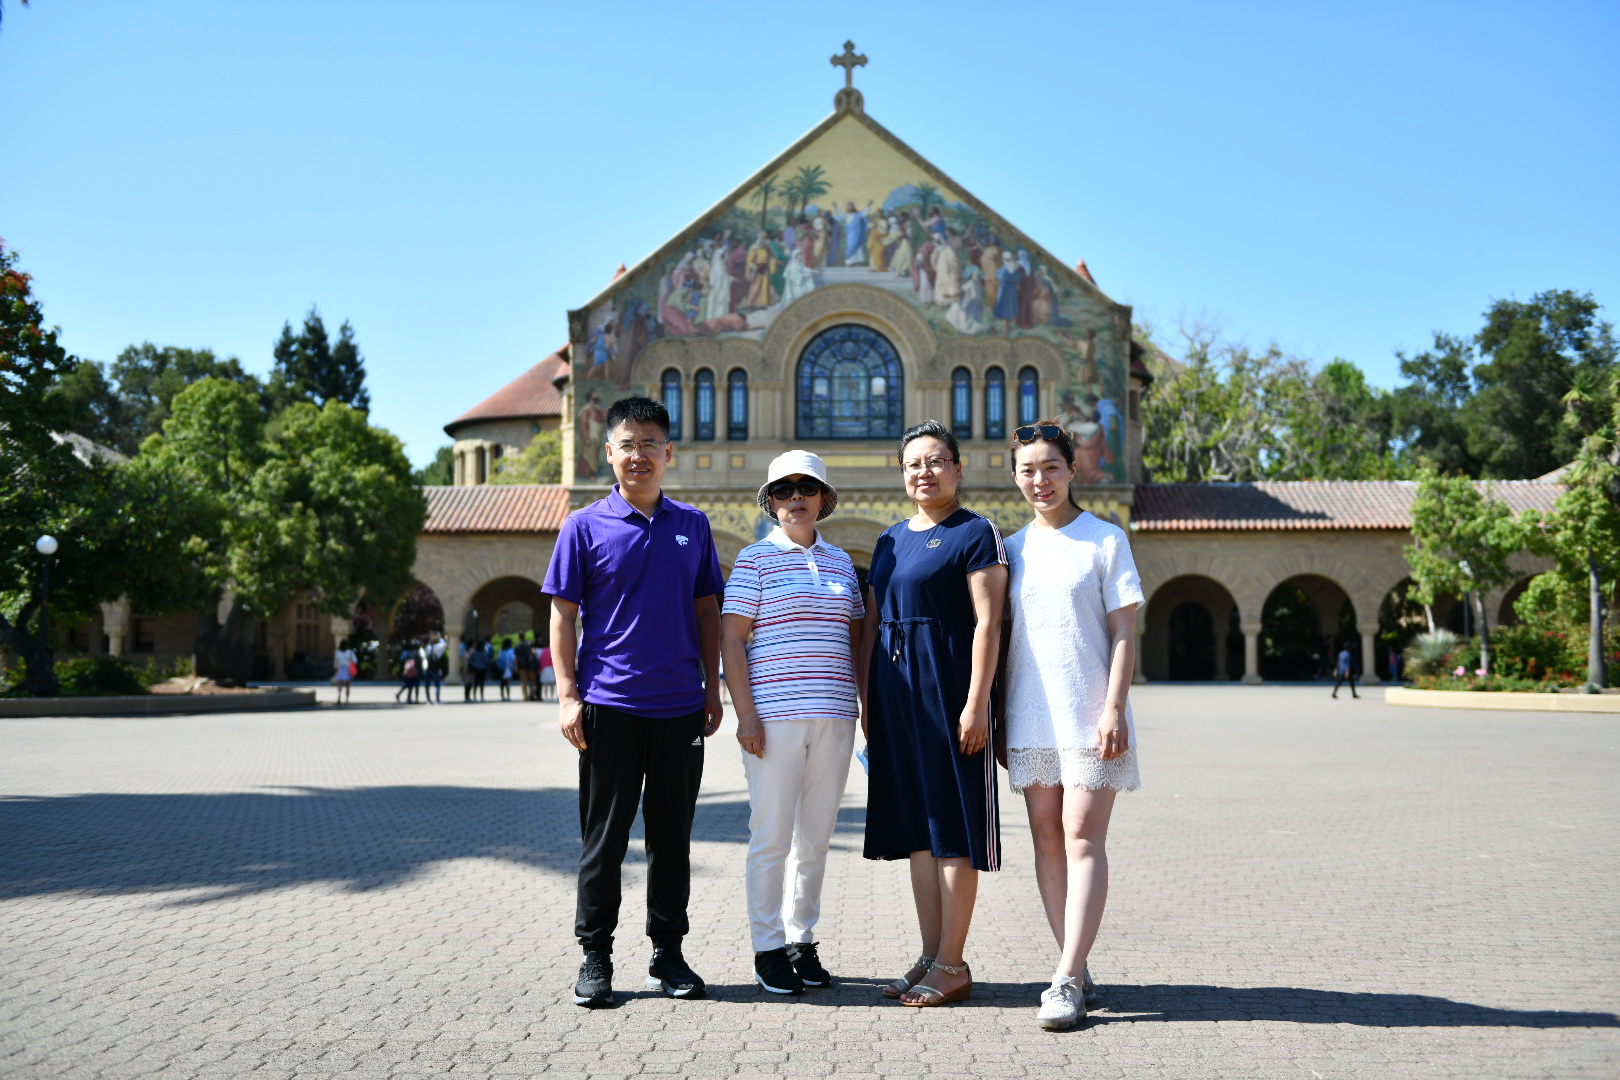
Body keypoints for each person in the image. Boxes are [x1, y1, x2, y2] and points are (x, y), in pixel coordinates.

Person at [543, 395, 725, 1009]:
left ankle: (668, 953)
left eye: (650, 444)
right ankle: (595, 956)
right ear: (609, 452)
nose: (639, 455)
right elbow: (562, 616)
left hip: (679, 709)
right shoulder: (583, 526)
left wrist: (712, 688)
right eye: (628, 444)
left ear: (668, 452)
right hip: (609, 707)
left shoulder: (693, 524)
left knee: (672, 839)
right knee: (605, 838)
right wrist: (567, 696)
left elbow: (707, 611)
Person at [1001, 420, 1143, 1032]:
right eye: (1028, 470)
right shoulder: (1009, 548)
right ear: (1015, 478)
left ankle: (1062, 979)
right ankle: (1075, 966)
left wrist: (1114, 706)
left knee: (1082, 835)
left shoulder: (1105, 540)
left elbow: (1124, 631)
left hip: (1091, 710)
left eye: (1051, 468)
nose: (1041, 480)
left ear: (1072, 470)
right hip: (1031, 709)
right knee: (1046, 838)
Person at [860, 419, 1007, 1008]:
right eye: (913, 463)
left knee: (951, 828)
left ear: (957, 468)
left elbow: (989, 623)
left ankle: (953, 961)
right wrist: (869, 702)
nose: (925, 472)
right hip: (896, 698)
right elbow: (873, 623)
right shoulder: (889, 540)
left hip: (948, 692)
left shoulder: (976, 532)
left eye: (936, 461)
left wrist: (976, 704)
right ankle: (929, 955)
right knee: (919, 832)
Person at [722, 451, 865, 996]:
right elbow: (732, 639)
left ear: (824, 499)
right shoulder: (754, 558)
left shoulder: (841, 563)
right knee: (772, 837)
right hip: (774, 718)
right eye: (784, 490)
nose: (796, 497)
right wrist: (746, 716)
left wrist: (866, 711)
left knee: (816, 839)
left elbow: (856, 642)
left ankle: (801, 941)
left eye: (808, 487)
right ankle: (767, 948)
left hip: (836, 716)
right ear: (771, 502)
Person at [423, 630, 446, 704]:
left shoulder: (428, 647)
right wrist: (439, 637)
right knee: (437, 685)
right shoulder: (439, 647)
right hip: (436, 668)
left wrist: (431, 638)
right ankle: (437, 700)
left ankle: (428, 700)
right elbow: (444, 644)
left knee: (427, 685)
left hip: (428, 668)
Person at [332, 637, 356, 706]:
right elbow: (355, 661)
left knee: (340, 684)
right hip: (348, 669)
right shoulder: (350, 652)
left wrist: (336, 668)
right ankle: (347, 699)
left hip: (341, 669)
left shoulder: (338, 653)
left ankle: (339, 696)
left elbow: (335, 663)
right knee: (347, 685)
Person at [396, 639, 421, 704]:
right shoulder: (418, 652)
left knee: (409, 685)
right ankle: (416, 699)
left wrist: (403, 669)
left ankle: (407, 698)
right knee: (415, 685)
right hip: (416, 670)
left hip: (407, 671)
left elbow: (402, 661)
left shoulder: (406, 652)